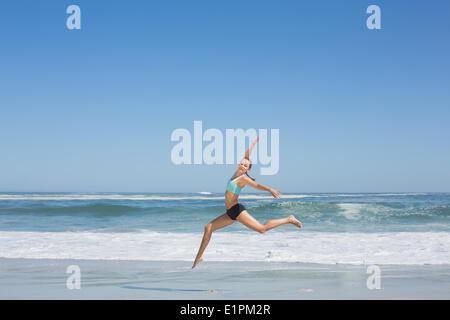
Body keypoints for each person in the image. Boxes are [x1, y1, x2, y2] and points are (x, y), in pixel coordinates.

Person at [192, 137, 302, 269]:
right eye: (241, 163)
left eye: (245, 166)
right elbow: (246, 157)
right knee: (208, 228)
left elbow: (256, 185)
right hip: (230, 213)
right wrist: (253, 145)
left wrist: (269, 189)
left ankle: (288, 219)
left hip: (237, 210)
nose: (242, 165)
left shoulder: (243, 179)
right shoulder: (236, 173)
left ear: (247, 169)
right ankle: (199, 256)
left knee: (261, 229)